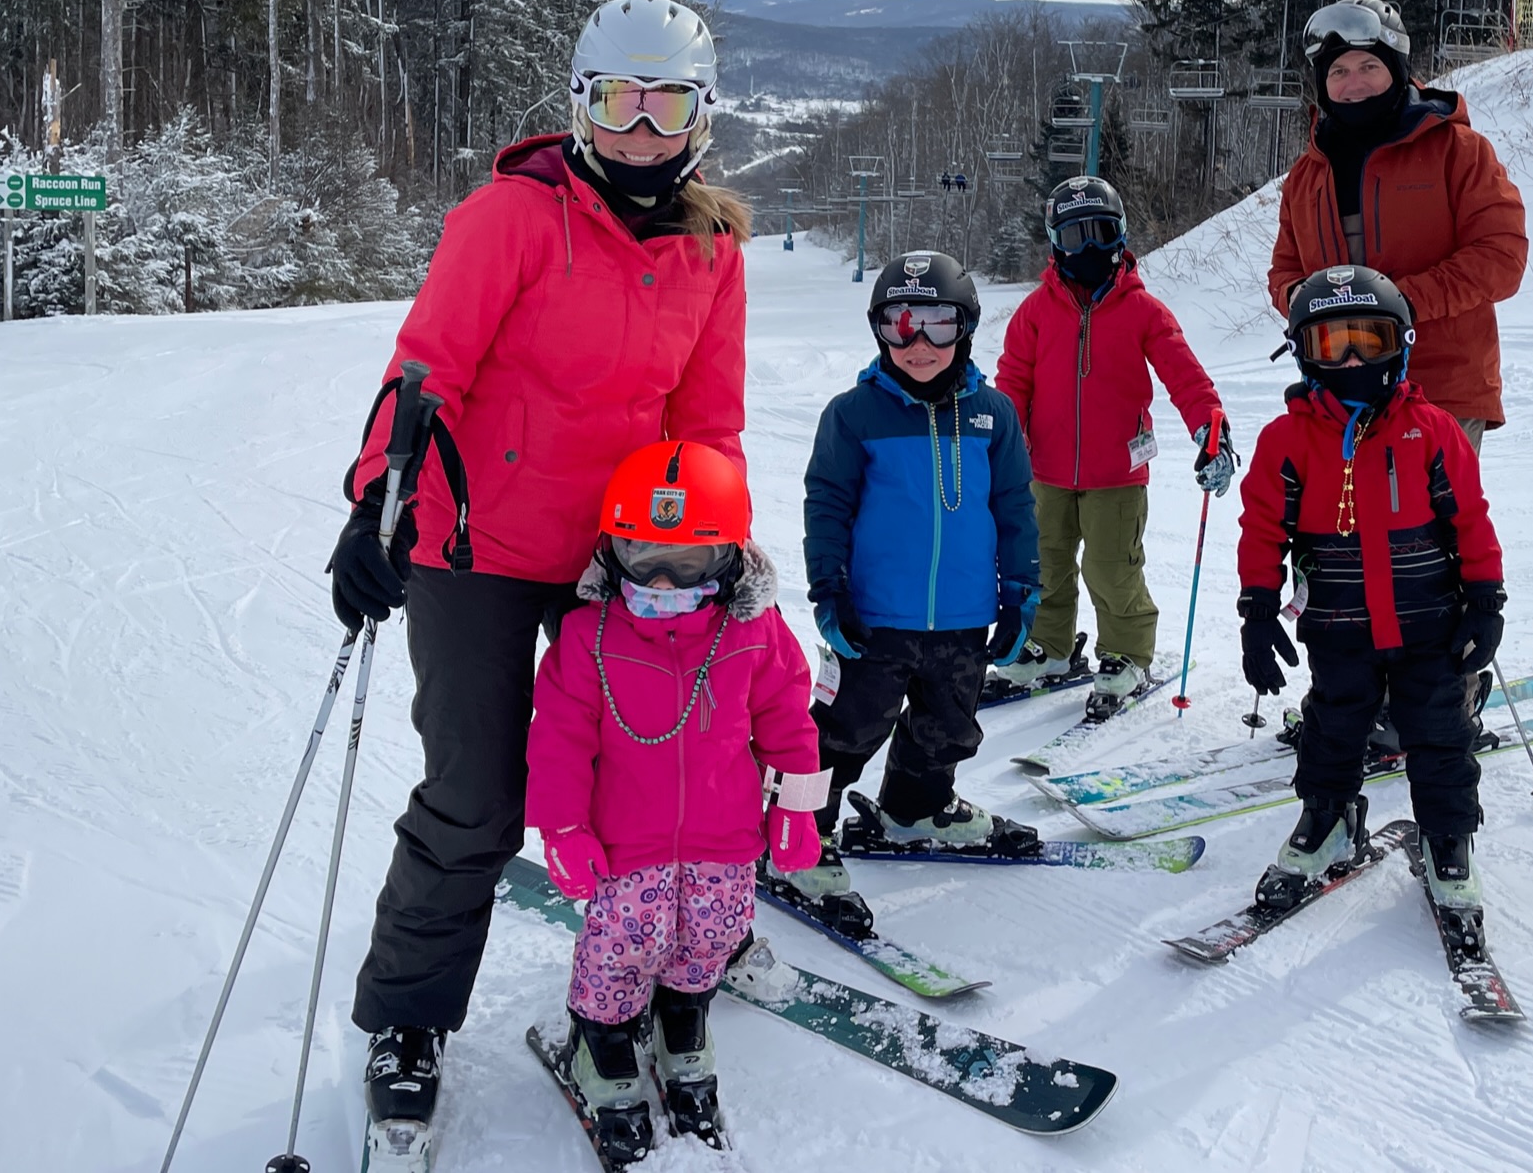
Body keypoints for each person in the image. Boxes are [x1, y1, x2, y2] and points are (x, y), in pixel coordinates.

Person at [324, 0, 753, 1140]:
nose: (643, 129)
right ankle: (409, 1019)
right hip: (474, 550)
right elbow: (427, 371)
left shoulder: (713, 251)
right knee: (478, 798)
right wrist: (380, 502)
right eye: (621, 101)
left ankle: (647, 982)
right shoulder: (510, 218)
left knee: (657, 777)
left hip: (621, 559)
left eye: (669, 105)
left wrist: (718, 545)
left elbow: (708, 424)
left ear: (703, 117)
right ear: (581, 105)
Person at [526, 440, 823, 1160]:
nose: (660, 578)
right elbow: (558, 739)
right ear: (612, 548)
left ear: (727, 558)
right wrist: (562, 826)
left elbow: (788, 719)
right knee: (618, 950)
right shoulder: (587, 636)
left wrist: (795, 807)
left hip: (724, 837)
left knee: (710, 939)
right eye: (642, 554)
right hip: (624, 842)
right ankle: (602, 1046)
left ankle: (682, 1023)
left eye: (686, 562)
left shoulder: (753, 632)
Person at [774, 250, 1040, 936]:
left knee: (945, 728)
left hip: (963, 616)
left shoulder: (993, 415)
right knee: (839, 734)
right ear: (879, 330)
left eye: (936, 324)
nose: (917, 343)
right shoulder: (853, 416)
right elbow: (826, 504)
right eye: (899, 324)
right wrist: (828, 592)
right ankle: (795, 836)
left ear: (966, 327)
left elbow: (1013, 506)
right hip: (873, 617)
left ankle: (914, 810)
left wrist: (1020, 592)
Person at [1236, 264, 1507, 914]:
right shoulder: (1286, 441)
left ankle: (1447, 838)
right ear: (1303, 351)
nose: (1353, 358)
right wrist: (1256, 607)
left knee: (1439, 736)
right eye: (1332, 344)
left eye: (1368, 339)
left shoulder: (1431, 431)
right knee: (1331, 731)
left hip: (1429, 626)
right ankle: (1328, 820)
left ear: (1401, 344)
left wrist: (1485, 601)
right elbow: (1262, 528)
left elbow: (1469, 518)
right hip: (1338, 626)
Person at [989, 175, 1237, 711]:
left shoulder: (1143, 310)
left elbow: (1185, 375)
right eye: (1076, 238)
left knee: (1112, 568)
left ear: (1120, 234)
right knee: (1044, 563)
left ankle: (1126, 653)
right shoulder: (1035, 312)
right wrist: (1003, 444)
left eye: (1101, 233)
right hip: (1044, 469)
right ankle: (1046, 646)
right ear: (1056, 243)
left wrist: (1210, 429)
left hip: (1118, 473)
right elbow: (1012, 383)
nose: (1091, 248)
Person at [1269, 0, 1527, 451]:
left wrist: (1399, 302)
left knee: (1426, 522)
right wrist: (1302, 302)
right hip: (1339, 390)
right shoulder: (1308, 175)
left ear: (1397, 68)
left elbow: (1502, 256)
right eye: (1338, 72)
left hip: (1439, 388)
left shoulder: (1457, 151)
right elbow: (1284, 273)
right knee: (1342, 522)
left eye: (1368, 66)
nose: (1354, 84)